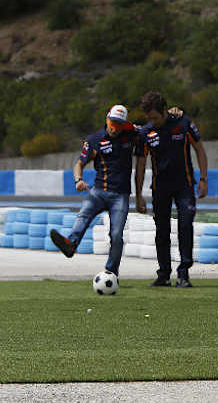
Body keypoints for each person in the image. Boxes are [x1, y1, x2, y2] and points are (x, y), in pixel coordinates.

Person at [50, 105, 137, 276]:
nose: (115, 128)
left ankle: (111, 272)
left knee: (117, 234)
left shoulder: (132, 134)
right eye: (112, 123)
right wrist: (78, 180)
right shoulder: (94, 140)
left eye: (119, 125)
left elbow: (152, 127)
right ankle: (70, 245)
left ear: (125, 125)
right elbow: (79, 164)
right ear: (107, 119)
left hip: (120, 195)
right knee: (83, 215)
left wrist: (174, 113)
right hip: (98, 191)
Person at [135, 91, 208, 288]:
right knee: (162, 230)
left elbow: (199, 149)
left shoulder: (183, 123)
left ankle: (183, 273)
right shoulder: (145, 133)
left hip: (185, 185)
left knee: (185, 225)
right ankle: (164, 274)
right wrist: (139, 195)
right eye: (149, 118)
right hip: (160, 188)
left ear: (165, 111)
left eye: (155, 117)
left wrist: (203, 179)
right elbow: (140, 165)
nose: (152, 121)